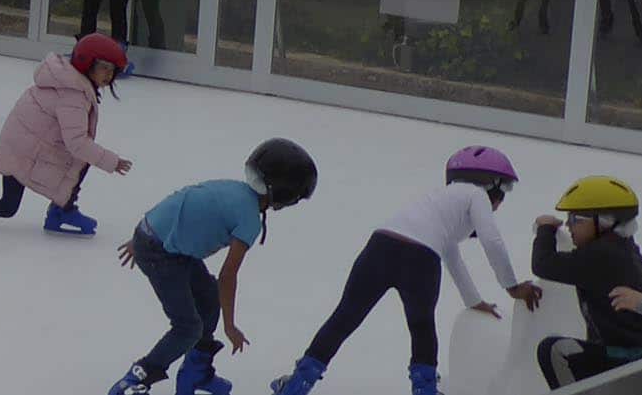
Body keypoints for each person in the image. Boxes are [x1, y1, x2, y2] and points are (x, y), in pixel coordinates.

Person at [270, 146, 544, 395]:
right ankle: (425, 390)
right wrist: (512, 286)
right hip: (420, 260)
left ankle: (297, 384)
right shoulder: (476, 195)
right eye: (505, 192)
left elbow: (452, 256)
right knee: (422, 327)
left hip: (380, 246)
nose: (500, 203)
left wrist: (474, 301)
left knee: (344, 317)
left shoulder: (438, 201)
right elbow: (491, 240)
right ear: (493, 186)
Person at [106, 138, 318, 395]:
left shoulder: (232, 188)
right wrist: (230, 325)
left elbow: (184, 200)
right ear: (287, 195)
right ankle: (135, 379)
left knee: (208, 297)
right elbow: (228, 276)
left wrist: (144, 232)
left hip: (162, 243)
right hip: (160, 254)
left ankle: (196, 371)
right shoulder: (249, 220)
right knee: (187, 327)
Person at [0, 34, 131, 235]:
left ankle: (62, 211)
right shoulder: (73, 94)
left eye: (112, 70)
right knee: (7, 207)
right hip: (22, 151)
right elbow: (77, 143)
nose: (108, 75)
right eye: (103, 68)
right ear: (87, 62)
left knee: (82, 160)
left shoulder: (70, 80)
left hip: (28, 144)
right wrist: (112, 162)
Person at [532, 176, 642, 389]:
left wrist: (545, 229)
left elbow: (543, 264)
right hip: (627, 358)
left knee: (554, 350)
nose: (568, 225)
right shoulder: (625, 248)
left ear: (605, 222)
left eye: (576, 219)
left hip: (630, 362)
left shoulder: (603, 255)